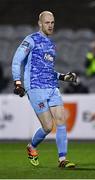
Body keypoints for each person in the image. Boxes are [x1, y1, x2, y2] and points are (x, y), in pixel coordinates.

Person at [12, 11, 77, 168]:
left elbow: (47, 70)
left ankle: (63, 159)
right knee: (48, 127)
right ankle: (32, 147)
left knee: (61, 120)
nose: (50, 25)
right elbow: (16, 61)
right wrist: (18, 82)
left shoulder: (51, 45)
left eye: (52, 22)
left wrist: (63, 77)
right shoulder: (31, 40)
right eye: (47, 22)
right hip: (35, 87)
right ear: (40, 23)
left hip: (52, 87)